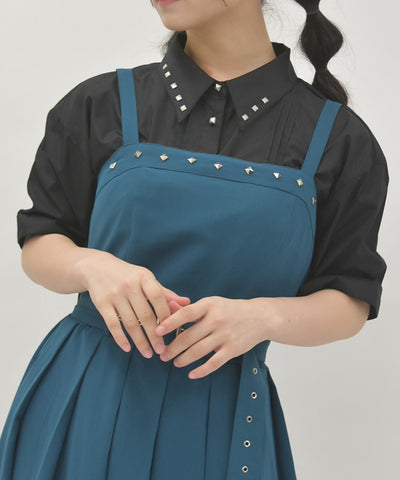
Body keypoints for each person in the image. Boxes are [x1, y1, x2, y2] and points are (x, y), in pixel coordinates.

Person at [0, 0, 389, 478]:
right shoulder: (99, 103)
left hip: (223, 415)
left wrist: (261, 317)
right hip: (84, 401)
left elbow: (350, 299)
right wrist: (92, 267)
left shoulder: (340, 140)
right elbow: (41, 240)